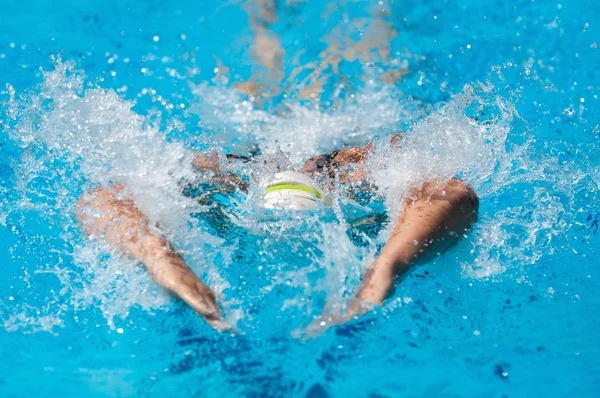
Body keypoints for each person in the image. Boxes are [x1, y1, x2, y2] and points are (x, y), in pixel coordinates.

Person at [75, 137, 478, 333]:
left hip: (341, 142)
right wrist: (160, 255)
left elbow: (453, 193)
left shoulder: (351, 176)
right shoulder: (230, 180)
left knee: (363, 52)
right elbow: (100, 199)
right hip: (260, 147)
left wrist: (388, 266)